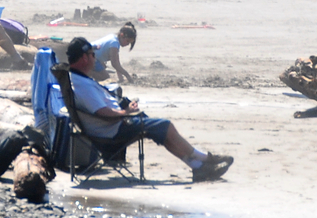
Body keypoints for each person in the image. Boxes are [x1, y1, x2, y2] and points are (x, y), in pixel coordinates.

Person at [64, 38, 233, 181]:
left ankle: (198, 166)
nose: (96, 58)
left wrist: (124, 107)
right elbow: (102, 113)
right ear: (84, 59)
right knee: (165, 126)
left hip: (109, 127)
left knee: (159, 129)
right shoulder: (82, 85)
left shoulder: (78, 79)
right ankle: (205, 158)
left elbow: (100, 109)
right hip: (112, 130)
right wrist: (126, 112)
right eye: (93, 55)